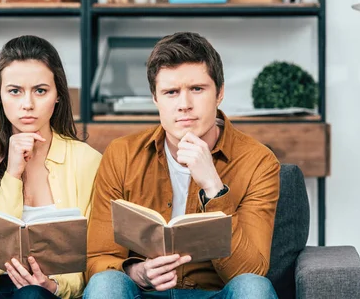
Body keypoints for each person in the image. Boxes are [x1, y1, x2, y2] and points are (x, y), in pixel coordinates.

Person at [84, 32, 280, 298]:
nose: (184, 105)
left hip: (215, 293)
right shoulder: (122, 154)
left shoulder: (259, 162)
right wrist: (138, 273)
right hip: (145, 293)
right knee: (106, 283)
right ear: (155, 99)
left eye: (197, 89)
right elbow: (98, 259)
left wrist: (214, 188)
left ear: (219, 93)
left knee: (254, 288)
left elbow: (252, 271)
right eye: (171, 92)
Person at [0, 35, 102, 299]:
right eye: (15, 91)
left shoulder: (87, 160)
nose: (28, 104)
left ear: (58, 95)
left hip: (55, 291)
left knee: (32, 295)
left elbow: (92, 256)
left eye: (40, 91)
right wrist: (13, 173)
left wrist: (56, 287)